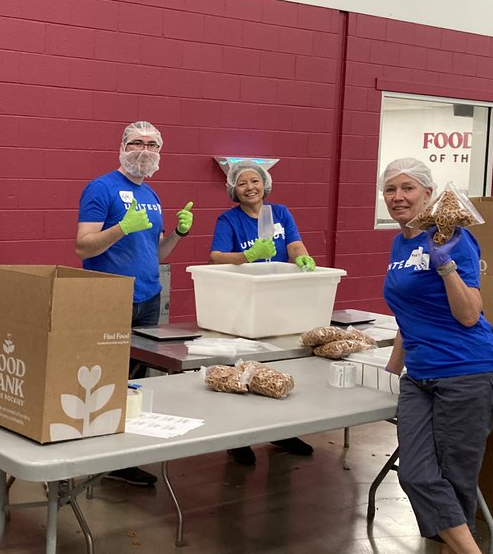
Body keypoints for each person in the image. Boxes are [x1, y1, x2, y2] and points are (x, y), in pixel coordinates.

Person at [379, 158, 493, 554]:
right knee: (418, 474)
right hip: (420, 377)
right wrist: (386, 374)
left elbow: (468, 314)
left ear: (428, 193)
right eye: (389, 189)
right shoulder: (399, 243)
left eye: (408, 188)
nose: (397, 196)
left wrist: (445, 268)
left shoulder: (452, 236)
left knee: (455, 482)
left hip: (467, 372)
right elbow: (405, 316)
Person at [75, 120, 193, 487]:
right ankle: (98, 454)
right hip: (110, 296)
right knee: (107, 377)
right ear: (122, 147)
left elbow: (156, 253)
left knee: (136, 379)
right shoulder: (101, 188)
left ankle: (122, 453)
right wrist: (121, 228)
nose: (145, 150)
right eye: (137, 143)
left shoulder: (152, 195)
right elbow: (84, 245)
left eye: (153, 145)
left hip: (148, 296)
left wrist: (178, 233)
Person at [209, 160, 316, 466]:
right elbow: (216, 256)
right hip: (244, 302)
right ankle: (238, 437)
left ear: (264, 184)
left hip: (280, 299)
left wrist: (304, 259)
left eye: (254, 181)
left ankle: (282, 430)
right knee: (243, 368)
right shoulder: (228, 219)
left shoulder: (279, 213)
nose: (250, 188)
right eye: (242, 183)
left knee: (280, 363)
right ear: (233, 189)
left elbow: (294, 244)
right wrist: (248, 255)